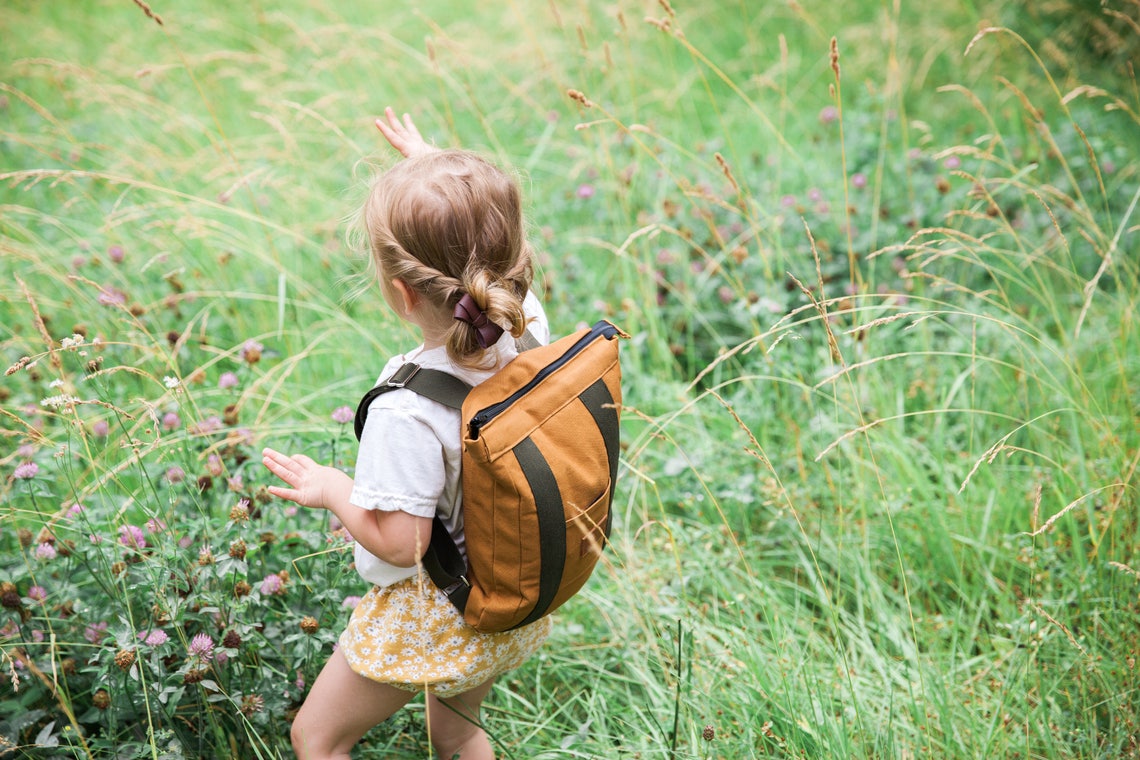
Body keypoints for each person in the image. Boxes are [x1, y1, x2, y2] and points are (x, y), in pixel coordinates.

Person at [261, 108, 552, 760]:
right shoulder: (526, 323)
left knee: (317, 738)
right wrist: (437, 172)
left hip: (439, 614)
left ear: (400, 293)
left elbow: (402, 545)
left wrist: (332, 489)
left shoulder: (408, 410)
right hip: (511, 592)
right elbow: (482, 249)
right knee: (458, 730)